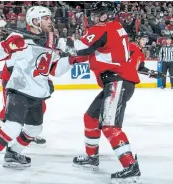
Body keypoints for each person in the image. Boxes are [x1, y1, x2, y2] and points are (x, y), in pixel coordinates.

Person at [0, 6, 78, 180]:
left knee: (35, 129)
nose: (50, 21)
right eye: (46, 18)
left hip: (37, 92)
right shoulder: (18, 37)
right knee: (13, 126)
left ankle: (13, 153)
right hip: (19, 88)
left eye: (49, 18)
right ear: (35, 21)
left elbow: (55, 70)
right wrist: (9, 46)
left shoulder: (52, 40)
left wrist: (71, 60)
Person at [69, 2, 161, 183]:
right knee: (91, 118)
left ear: (108, 14)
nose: (96, 17)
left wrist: (56, 43)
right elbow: (95, 51)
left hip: (117, 80)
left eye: (100, 13)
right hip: (116, 80)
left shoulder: (103, 28)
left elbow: (81, 47)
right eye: (96, 14)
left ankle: (130, 167)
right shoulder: (117, 27)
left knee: (110, 126)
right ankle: (91, 157)